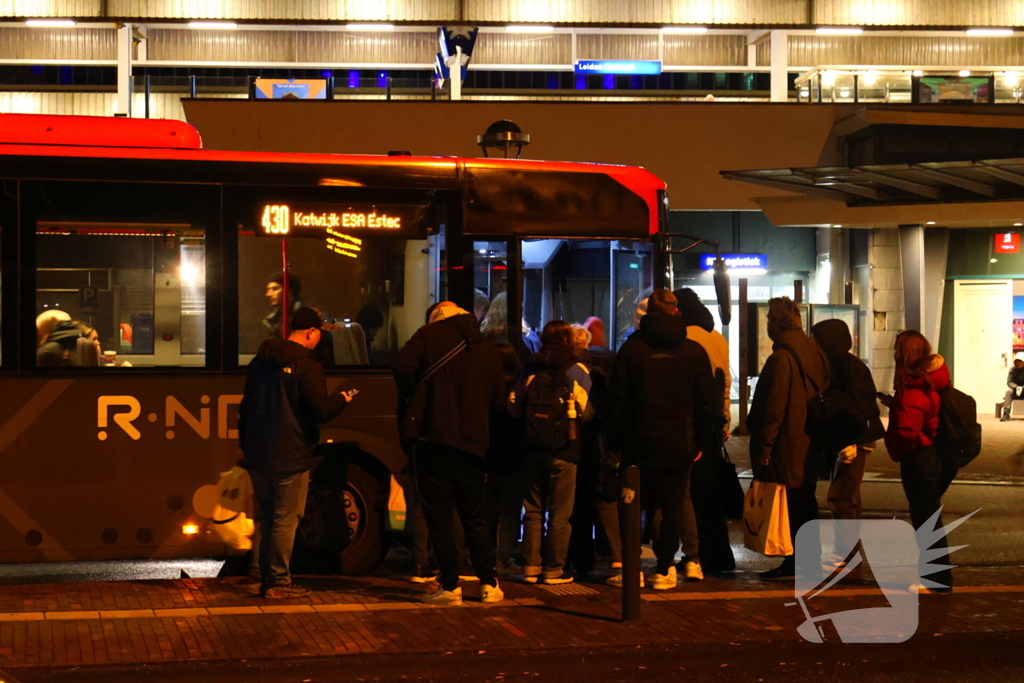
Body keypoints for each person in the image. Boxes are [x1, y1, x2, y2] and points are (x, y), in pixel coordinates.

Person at [394, 301, 507, 605]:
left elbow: (402, 367)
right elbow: (498, 401)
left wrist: (421, 395)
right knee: (474, 515)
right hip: (473, 442)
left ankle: (450, 585)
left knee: (439, 516)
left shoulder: (428, 335)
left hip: (432, 438)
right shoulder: (486, 348)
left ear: (436, 318)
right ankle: (488, 582)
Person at [608, 289, 719, 589]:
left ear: (647, 313)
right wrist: (700, 441)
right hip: (679, 441)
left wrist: (616, 440)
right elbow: (707, 403)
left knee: (632, 503)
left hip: (638, 440)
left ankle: (631, 567)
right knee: (673, 505)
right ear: (676, 312)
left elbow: (617, 401)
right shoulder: (693, 351)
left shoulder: (632, 350)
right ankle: (664, 567)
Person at [238, 307, 352, 599]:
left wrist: (246, 445)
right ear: (311, 332)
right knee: (285, 518)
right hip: (290, 453)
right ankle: (278, 581)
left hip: (258, 451)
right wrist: (343, 398)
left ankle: (256, 574)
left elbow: (245, 407)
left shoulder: (259, 361)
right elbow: (321, 411)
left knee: (265, 516)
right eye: (319, 334)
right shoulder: (307, 365)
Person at [747, 297, 829, 581]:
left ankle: (796, 561)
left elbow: (773, 409)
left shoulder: (781, 358)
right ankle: (809, 560)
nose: (767, 323)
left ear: (776, 322)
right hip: (811, 440)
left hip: (789, 443)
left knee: (792, 503)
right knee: (806, 500)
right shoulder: (814, 352)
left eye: (769, 318)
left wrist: (764, 447)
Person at [509, 320, 593, 585]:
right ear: (568, 340)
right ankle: (554, 569)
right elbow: (587, 410)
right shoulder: (576, 369)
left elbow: (512, 404)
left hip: (530, 448)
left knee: (532, 511)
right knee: (560, 514)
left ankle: (531, 567)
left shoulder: (529, 366)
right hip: (564, 449)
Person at [882, 332, 954, 593]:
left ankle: (938, 580)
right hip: (927, 455)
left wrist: (899, 421)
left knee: (926, 519)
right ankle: (936, 577)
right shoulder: (927, 383)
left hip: (918, 457)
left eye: (897, 349)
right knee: (927, 517)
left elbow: (908, 429)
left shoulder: (914, 385)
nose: (893, 353)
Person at [811, 319, 884, 561]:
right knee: (848, 495)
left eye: (819, 340)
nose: (815, 344)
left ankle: (847, 552)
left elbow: (858, 408)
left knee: (841, 495)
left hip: (854, 439)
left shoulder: (849, 368)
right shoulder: (839, 364)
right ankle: (847, 550)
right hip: (848, 437)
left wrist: (850, 440)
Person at [673, 288, 734, 573]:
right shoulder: (717, 338)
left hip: (692, 422)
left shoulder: (683, 339)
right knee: (711, 493)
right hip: (713, 422)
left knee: (688, 493)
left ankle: (694, 553)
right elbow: (725, 379)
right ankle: (719, 554)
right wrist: (725, 418)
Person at [566, 324, 621, 578]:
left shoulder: (569, 370)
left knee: (574, 504)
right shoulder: (601, 367)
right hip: (598, 445)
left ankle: (577, 557)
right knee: (601, 499)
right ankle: (613, 555)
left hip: (576, 444)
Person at [263, 271, 302, 339]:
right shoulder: (272, 318)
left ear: (290, 290)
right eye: (268, 289)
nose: (268, 294)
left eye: (275, 289)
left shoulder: (305, 315)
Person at [1001, 352, 1024, 421]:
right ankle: (1006, 413)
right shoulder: (1013, 369)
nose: (1018, 363)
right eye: (1017, 361)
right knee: (1008, 392)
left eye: (1020, 361)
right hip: (1015, 389)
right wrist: (1016, 387)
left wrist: (1022, 388)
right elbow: (1009, 381)